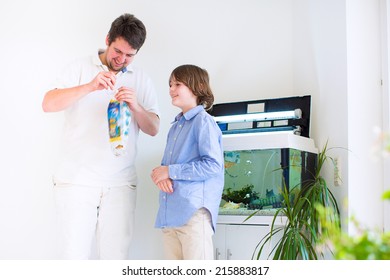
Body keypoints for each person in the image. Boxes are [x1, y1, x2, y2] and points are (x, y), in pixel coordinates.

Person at [42, 13, 160, 260]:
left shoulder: (141, 79)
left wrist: (137, 106)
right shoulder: (78, 67)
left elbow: (153, 129)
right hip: (76, 180)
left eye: (130, 55)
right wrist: (90, 87)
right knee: (74, 257)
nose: (122, 59)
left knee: (116, 259)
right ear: (107, 39)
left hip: (121, 183)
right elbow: (48, 104)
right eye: (118, 51)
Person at [151, 64, 224, 260]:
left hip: (193, 215)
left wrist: (170, 171)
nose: (171, 89)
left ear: (198, 87)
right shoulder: (175, 128)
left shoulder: (203, 122)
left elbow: (213, 165)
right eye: (170, 84)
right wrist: (161, 175)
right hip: (171, 217)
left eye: (178, 84)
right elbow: (166, 169)